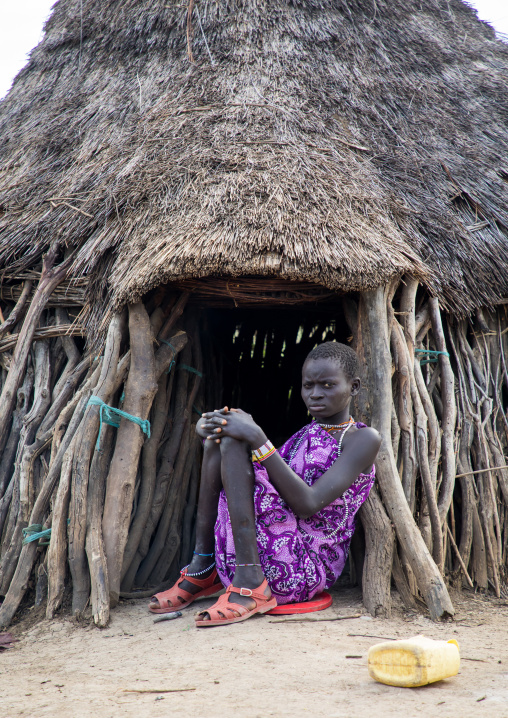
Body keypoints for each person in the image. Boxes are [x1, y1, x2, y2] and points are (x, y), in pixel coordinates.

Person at [148, 341, 381, 627]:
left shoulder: (364, 440)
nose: (315, 394)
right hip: (262, 555)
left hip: (304, 567)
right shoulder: (302, 436)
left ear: (354, 387)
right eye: (308, 385)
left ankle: (250, 584)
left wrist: (258, 439)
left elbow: (307, 505)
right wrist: (212, 432)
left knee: (241, 441)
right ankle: (203, 565)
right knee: (225, 437)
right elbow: (264, 479)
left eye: (328, 385)